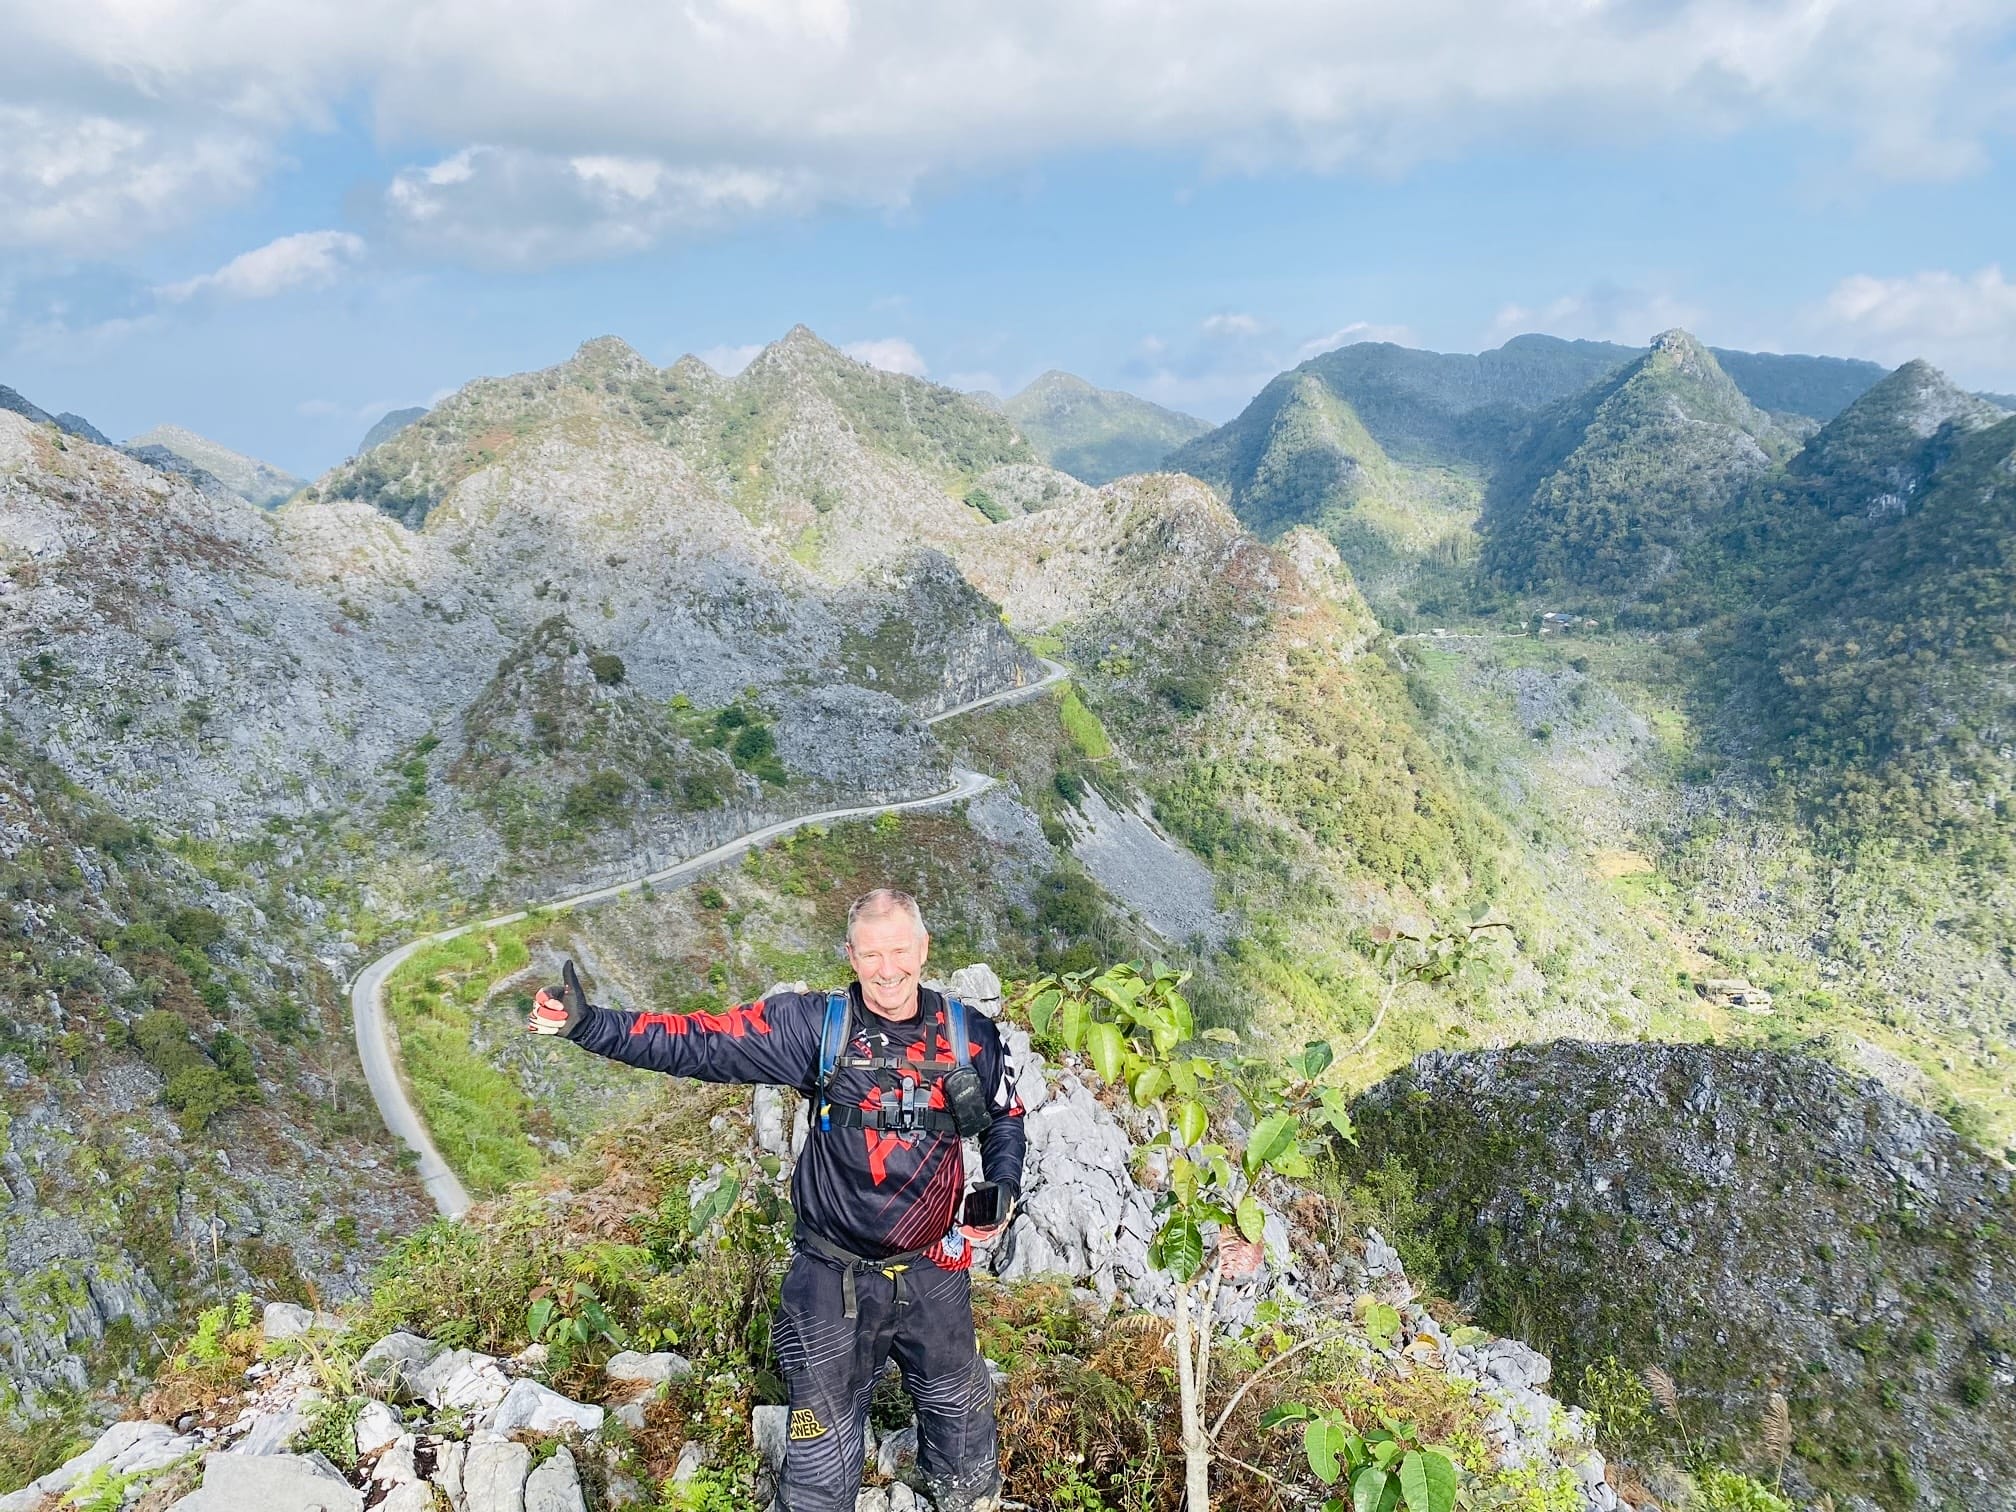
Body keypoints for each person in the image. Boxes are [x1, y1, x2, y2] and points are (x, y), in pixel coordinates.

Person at [527, 887, 1025, 1512]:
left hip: (934, 1271)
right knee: (821, 1463)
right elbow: (703, 1042)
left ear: (923, 949)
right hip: (830, 1277)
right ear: (850, 955)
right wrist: (589, 1024)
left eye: (900, 950)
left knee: (963, 1431)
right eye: (872, 954)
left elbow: (1005, 1120)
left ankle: (963, 1496)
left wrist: (1000, 1187)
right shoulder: (816, 1027)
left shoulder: (969, 1035)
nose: (888, 968)